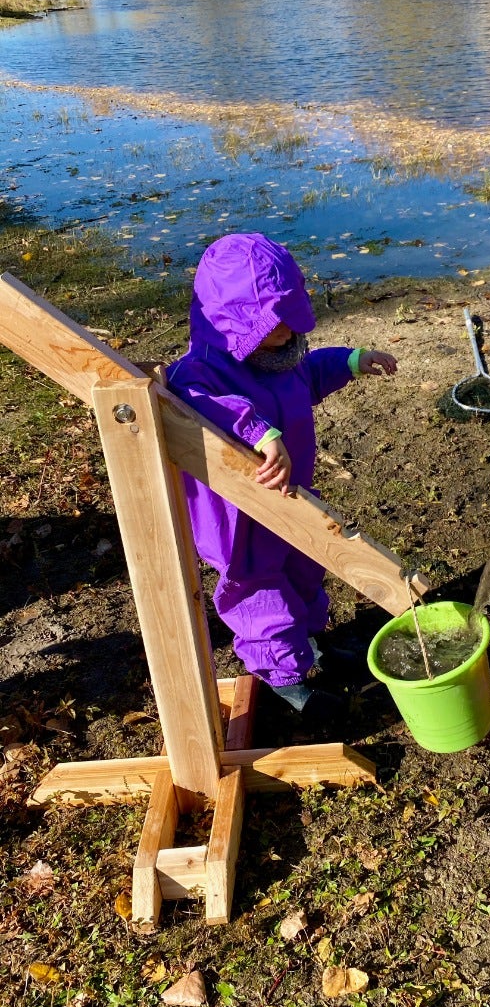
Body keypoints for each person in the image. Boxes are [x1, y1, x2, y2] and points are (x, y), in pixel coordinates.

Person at [167, 232, 397, 717]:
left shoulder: (276, 354)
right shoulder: (202, 372)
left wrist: (351, 361)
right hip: (241, 522)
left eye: (292, 319)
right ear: (238, 323)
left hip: (292, 499)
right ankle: (285, 679)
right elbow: (203, 406)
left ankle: (311, 642)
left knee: (306, 571)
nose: (288, 333)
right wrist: (260, 433)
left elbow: (306, 376)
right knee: (263, 597)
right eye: (275, 323)